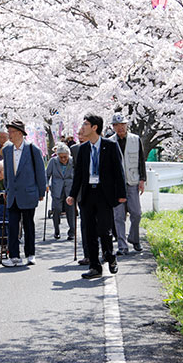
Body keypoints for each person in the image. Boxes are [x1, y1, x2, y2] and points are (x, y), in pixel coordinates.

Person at [67, 114, 127, 279]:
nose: (82, 127)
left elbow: (118, 172)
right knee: (89, 231)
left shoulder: (110, 146)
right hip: (87, 194)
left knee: (103, 229)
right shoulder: (83, 149)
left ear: (95, 127)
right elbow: (78, 175)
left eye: (86, 124)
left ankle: (110, 255)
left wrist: (121, 194)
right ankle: (95, 266)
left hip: (104, 193)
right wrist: (72, 194)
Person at [1, 120, 47, 267]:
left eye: (12, 132)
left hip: (28, 193)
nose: (9, 135)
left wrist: (41, 191)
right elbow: (7, 173)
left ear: (20, 133)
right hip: (13, 194)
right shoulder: (7, 150)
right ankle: (14, 256)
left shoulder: (33, 149)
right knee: (13, 225)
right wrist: (7, 189)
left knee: (28, 225)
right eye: (9, 132)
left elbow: (40, 173)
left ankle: (30, 254)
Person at [109, 113, 147, 254]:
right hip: (116, 185)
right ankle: (122, 246)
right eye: (117, 125)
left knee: (136, 213)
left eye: (123, 125)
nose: (120, 128)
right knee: (118, 216)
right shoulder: (109, 141)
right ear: (113, 127)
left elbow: (141, 160)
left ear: (127, 125)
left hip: (133, 181)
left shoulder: (135, 140)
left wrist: (142, 179)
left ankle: (134, 238)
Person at [46, 143, 75, 240]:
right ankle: (56, 230)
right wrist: (46, 185)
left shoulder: (72, 161)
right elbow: (47, 175)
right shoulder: (53, 161)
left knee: (70, 211)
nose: (63, 159)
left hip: (69, 189)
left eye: (65, 157)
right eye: (61, 157)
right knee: (56, 209)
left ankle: (72, 232)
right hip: (57, 189)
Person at [70, 127, 90, 265]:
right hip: (83, 192)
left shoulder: (103, 146)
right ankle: (88, 254)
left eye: (83, 133)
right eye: (79, 134)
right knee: (85, 224)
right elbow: (75, 173)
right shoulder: (75, 150)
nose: (81, 136)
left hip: (100, 191)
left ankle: (105, 252)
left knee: (101, 225)